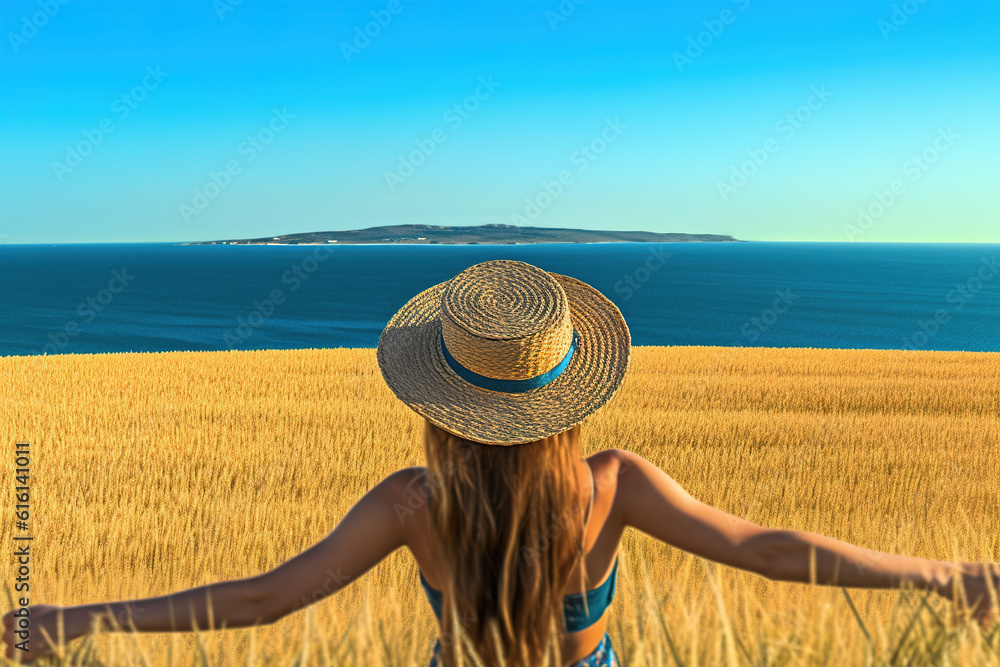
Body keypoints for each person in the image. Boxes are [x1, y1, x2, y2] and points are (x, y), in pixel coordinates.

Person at [3, 259, 997, 666]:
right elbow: (771, 550)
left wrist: (71, 621)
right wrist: (945, 577)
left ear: (441, 403)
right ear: (569, 391)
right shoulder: (612, 484)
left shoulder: (410, 505)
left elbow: (263, 601)